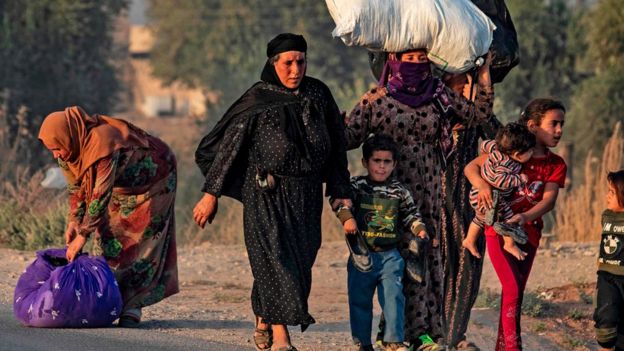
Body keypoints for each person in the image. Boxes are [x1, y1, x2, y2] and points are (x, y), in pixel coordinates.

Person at [192, 33, 351, 351]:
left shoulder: (319, 94)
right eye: (288, 63)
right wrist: (211, 194)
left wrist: (340, 190)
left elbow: (336, 147)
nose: (295, 70)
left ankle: (264, 314)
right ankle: (281, 337)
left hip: (306, 195)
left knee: (301, 261)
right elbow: (229, 149)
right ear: (273, 63)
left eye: (301, 62)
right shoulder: (258, 99)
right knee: (275, 260)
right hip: (265, 193)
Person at [344, 49, 495, 349]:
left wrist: (484, 75)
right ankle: (400, 336)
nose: (414, 65)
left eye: (420, 58)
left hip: (428, 194)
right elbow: (348, 138)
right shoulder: (376, 100)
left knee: (424, 261)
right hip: (387, 201)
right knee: (397, 264)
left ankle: (420, 333)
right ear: (393, 58)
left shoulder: (438, 96)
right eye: (407, 58)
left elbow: (479, 115)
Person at [38, 106, 179, 328]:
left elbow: (99, 196)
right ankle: (111, 299)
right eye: (52, 150)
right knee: (108, 238)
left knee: (139, 240)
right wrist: (74, 221)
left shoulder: (103, 142)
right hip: (121, 185)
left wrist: (81, 236)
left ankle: (133, 306)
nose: (56, 154)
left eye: (57, 148)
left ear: (67, 136)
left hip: (155, 179)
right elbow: (76, 188)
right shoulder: (69, 148)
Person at [464, 98, 567, 351]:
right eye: (553, 124)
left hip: (528, 233)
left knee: (516, 293)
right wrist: (483, 186)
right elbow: (471, 168)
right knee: (511, 287)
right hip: (497, 229)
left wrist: (524, 217)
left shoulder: (555, 165)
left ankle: (504, 345)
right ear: (532, 126)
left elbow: (549, 201)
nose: (559, 130)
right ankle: (513, 348)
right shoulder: (510, 150)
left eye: (561, 124)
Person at [334, 134, 427, 351]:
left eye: (387, 162)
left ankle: (393, 340)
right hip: (361, 255)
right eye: (377, 161)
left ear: (394, 164)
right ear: (366, 162)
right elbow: (339, 201)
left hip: (390, 256)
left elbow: (411, 215)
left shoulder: (399, 191)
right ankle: (362, 342)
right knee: (359, 300)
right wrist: (347, 218)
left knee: (394, 296)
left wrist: (419, 229)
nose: (382, 167)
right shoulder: (355, 186)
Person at [438, 72, 502, 351]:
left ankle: (455, 336)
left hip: (468, 202)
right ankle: (431, 336)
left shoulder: (477, 119)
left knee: (467, 267)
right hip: (432, 200)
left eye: (470, 83)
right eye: (461, 83)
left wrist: (485, 82)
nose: (467, 88)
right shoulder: (432, 111)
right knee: (435, 267)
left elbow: (502, 141)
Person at [463, 123, 535, 261]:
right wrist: (518, 179)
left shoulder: (496, 149)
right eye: (530, 151)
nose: (532, 153)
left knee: (479, 218)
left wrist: (486, 153)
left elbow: (484, 144)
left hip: (477, 194)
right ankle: (509, 244)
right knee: (507, 218)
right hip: (491, 196)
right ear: (517, 154)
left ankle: (469, 240)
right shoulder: (506, 163)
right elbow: (499, 180)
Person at [593, 170, 624, 351]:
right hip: (607, 277)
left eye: (612, 192)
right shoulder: (606, 215)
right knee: (606, 322)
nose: (607, 196)